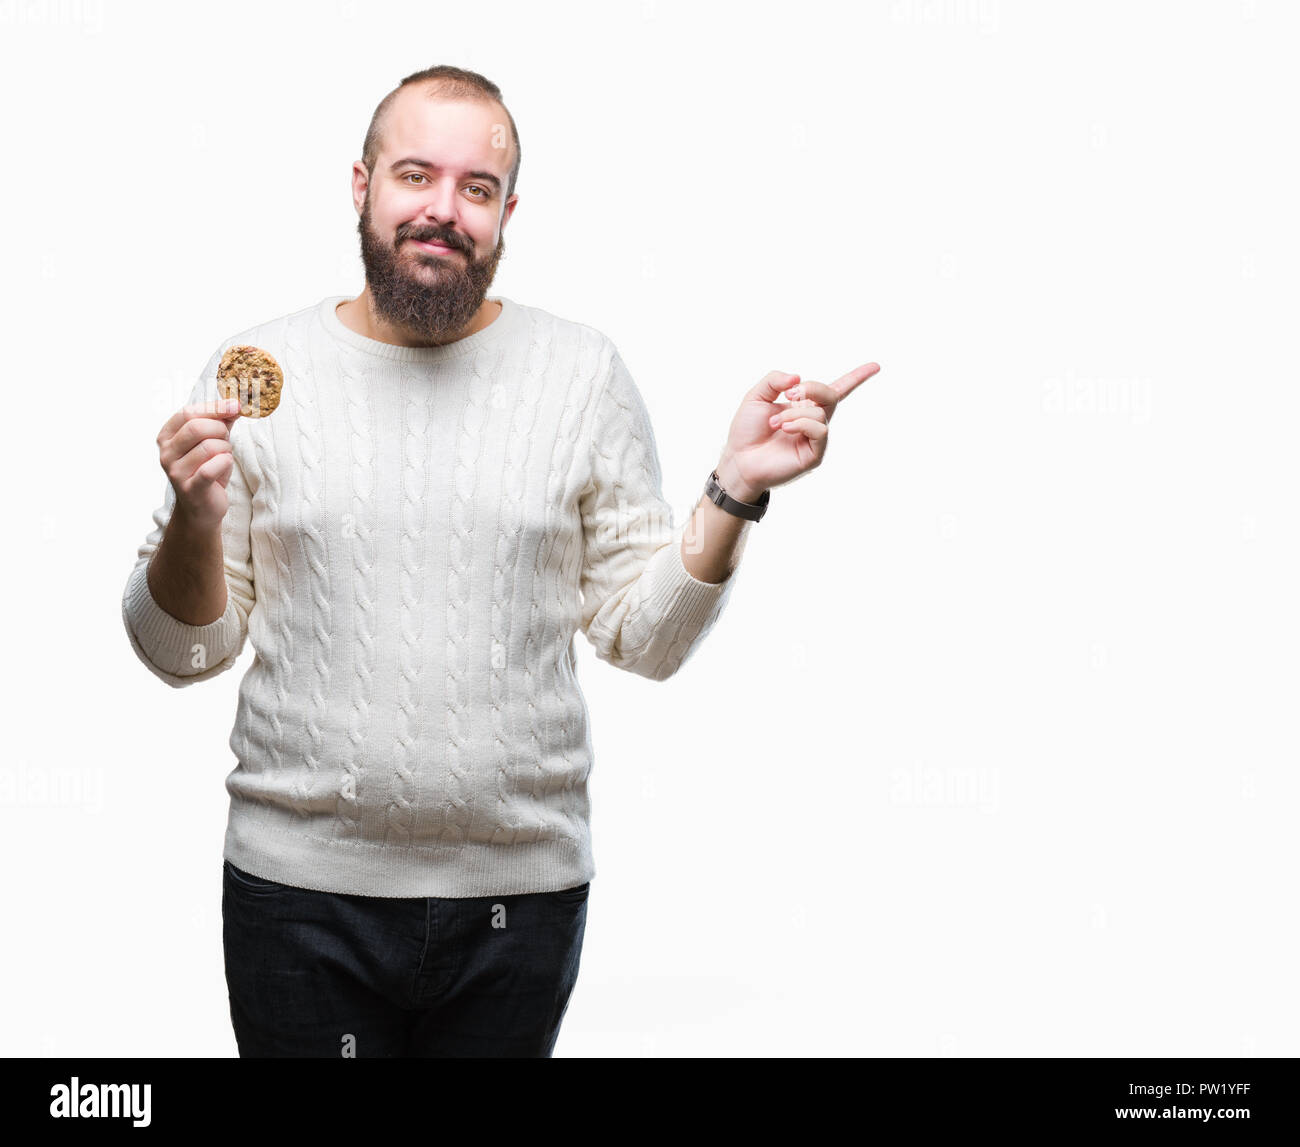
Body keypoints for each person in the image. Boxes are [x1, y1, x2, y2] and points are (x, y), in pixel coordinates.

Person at [121, 64, 879, 1058]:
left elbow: (641, 642)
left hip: (518, 903)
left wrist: (735, 486)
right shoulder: (254, 372)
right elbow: (180, 655)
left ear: (506, 211)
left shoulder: (579, 373)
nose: (442, 210)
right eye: (414, 176)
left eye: (475, 189)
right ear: (360, 186)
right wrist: (192, 514)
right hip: (298, 896)